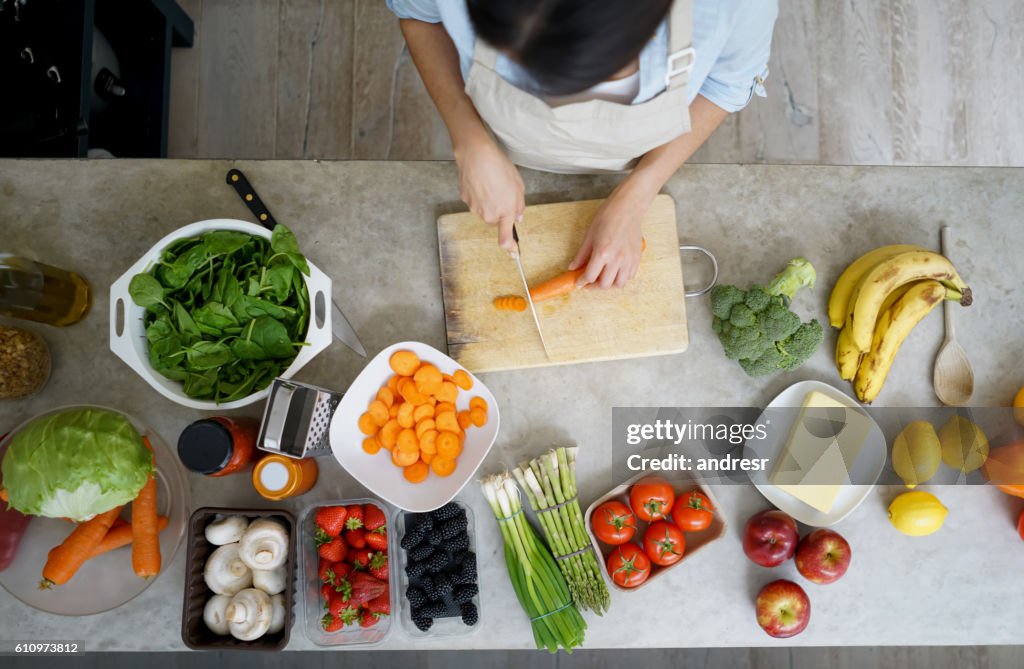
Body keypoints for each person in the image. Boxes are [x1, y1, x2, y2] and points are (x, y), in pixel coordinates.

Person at [389, 0, 778, 288]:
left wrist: (638, 194)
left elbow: (725, 86)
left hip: (640, 156)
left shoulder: (733, 7)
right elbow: (419, 17)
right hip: (500, 140)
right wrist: (468, 137)